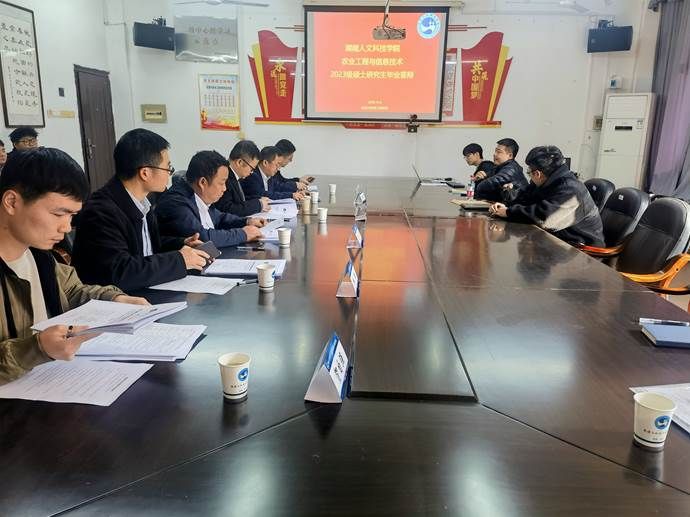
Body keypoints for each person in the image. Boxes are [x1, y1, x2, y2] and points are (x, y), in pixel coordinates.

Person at [0, 147, 148, 385]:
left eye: (71, 216)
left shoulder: (39, 256)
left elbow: (72, 291)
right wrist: (36, 349)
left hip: (49, 385)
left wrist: (115, 299)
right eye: (58, 214)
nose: (66, 228)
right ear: (12, 202)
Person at [72, 129, 209, 291]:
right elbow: (120, 272)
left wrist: (181, 244)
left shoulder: (143, 202)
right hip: (116, 298)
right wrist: (179, 260)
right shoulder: (101, 212)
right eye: (168, 168)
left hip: (146, 289)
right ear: (145, 173)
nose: (169, 174)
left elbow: (146, 248)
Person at [488, 145, 604, 247]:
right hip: (556, 240)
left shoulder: (571, 190)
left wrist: (508, 212)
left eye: (529, 172)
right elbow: (525, 198)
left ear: (537, 174)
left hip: (580, 249)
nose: (530, 176)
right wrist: (505, 207)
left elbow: (545, 218)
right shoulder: (545, 181)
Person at [157, 151, 265, 248]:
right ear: (202, 182)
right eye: (221, 183)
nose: (224, 188)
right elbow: (203, 238)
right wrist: (243, 234)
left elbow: (220, 218)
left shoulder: (199, 197)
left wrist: (246, 221)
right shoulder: (176, 203)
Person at [214, 140, 270, 217]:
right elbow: (228, 209)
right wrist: (258, 205)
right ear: (240, 162)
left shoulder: (235, 175)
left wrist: (258, 200)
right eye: (251, 169)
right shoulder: (225, 177)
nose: (251, 172)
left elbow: (240, 200)